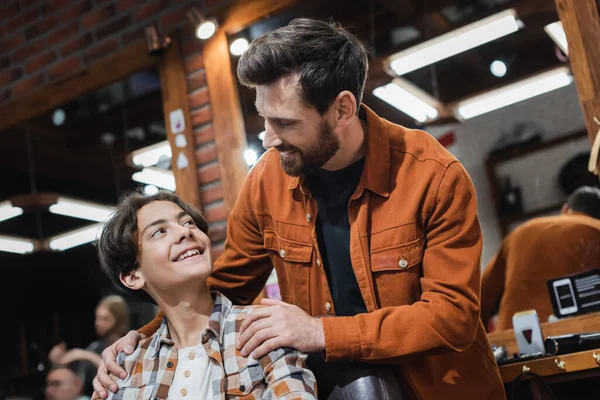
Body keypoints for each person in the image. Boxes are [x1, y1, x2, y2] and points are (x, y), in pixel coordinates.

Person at [94, 18, 504, 400]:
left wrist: (319, 332)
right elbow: (226, 286)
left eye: (285, 123)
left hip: (440, 388)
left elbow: (452, 316)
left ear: (342, 109)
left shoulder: (433, 175)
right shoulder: (267, 181)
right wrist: (144, 339)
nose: (269, 139)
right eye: (263, 119)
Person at [94, 189, 317, 399]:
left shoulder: (262, 329)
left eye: (188, 222)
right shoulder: (126, 365)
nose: (185, 232)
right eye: (159, 231)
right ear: (133, 276)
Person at [481, 186, 600, 331]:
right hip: (583, 337)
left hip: (516, 337)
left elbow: (481, 298)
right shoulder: (596, 230)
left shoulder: (522, 231)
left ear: (565, 209)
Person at [49, 295, 130, 395]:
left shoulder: (128, 346)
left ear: (119, 320)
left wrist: (87, 356)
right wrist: (58, 362)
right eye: (97, 317)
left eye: (104, 319)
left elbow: (120, 378)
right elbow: (78, 383)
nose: (97, 323)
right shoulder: (95, 347)